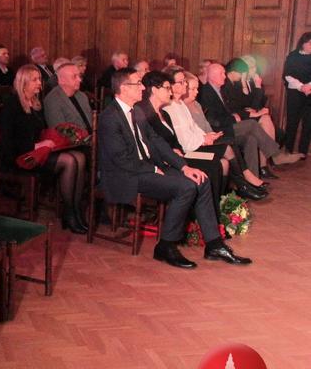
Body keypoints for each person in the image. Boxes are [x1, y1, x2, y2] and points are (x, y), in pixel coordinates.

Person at [98, 68, 251, 269]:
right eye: (138, 83)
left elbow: (157, 141)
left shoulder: (136, 111)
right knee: (186, 187)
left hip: (146, 168)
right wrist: (153, 170)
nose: (143, 87)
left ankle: (214, 244)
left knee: (200, 179)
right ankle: (166, 246)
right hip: (125, 175)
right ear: (124, 88)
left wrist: (184, 167)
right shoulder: (109, 117)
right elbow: (121, 159)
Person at [0, 64, 87, 234]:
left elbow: (40, 132)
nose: (40, 83)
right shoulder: (11, 104)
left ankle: (75, 210)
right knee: (69, 161)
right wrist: (37, 145)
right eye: (35, 80)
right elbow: (8, 142)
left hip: (38, 151)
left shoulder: (36, 103)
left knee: (79, 157)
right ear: (23, 83)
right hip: (19, 156)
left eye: (39, 79)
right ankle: (69, 213)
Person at [165, 70, 267, 201]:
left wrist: (207, 136)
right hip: (189, 151)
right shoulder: (170, 107)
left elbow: (194, 128)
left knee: (227, 154)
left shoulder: (180, 104)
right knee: (227, 148)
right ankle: (243, 185)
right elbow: (183, 140)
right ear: (171, 86)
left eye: (185, 81)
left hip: (196, 144)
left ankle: (232, 191)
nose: (185, 84)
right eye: (182, 82)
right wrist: (204, 139)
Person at [137, 71, 227, 212]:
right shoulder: (146, 114)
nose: (170, 91)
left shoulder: (164, 113)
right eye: (168, 88)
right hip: (165, 160)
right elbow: (154, 143)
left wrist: (178, 149)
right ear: (154, 90)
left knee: (215, 164)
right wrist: (176, 152)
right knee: (208, 170)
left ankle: (215, 211)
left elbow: (175, 139)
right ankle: (200, 214)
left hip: (176, 155)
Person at [199, 63, 301, 178]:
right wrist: (234, 117)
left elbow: (236, 108)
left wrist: (242, 114)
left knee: (251, 138)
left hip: (229, 124)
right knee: (252, 124)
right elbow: (212, 119)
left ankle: (253, 178)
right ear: (212, 76)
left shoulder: (220, 90)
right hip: (219, 130)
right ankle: (275, 155)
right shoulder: (206, 92)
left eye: (224, 73)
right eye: (221, 73)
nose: (224, 76)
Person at [222, 58, 277, 149]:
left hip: (244, 114)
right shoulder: (227, 84)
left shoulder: (240, 82)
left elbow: (253, 104)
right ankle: (271, 153)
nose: (252, 70)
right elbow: (234, 108)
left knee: (266, 118)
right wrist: (255, 113)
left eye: (254, 67)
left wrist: (257, 86)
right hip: (235, 118)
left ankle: (269, 154)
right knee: (264, 120)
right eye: (250, 68)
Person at [283, 32, 311, 156]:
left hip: (310, 93)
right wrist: (301, 86)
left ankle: (303, 152)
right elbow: (287, 75)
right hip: (295, 93)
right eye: (310, 43)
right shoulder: (293, 56)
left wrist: (309, 85)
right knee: (292, 122)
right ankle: (288, 150)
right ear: (303, 43)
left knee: (308, 124)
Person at [44, 62, 92, 133]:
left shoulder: (82, 96)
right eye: (74, 76)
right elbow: (59, 131)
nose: (79, 80)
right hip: (73, 139)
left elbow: (90, 122)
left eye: (79, 76)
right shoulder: (52, 100)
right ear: (62, 80)